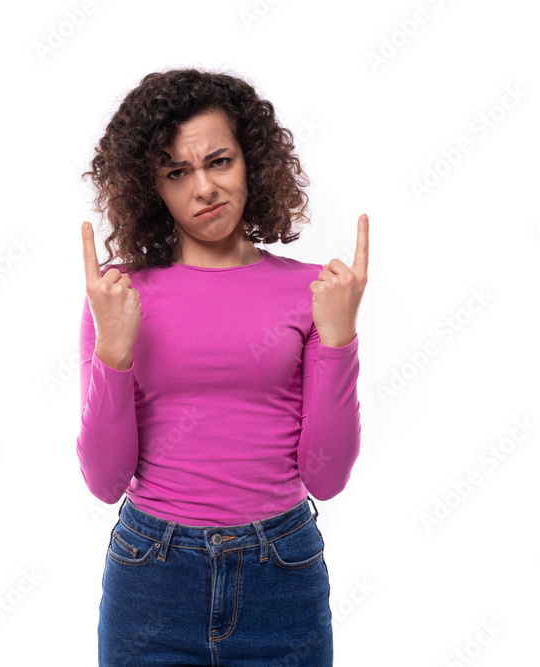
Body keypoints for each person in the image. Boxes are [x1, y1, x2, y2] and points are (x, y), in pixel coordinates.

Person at [77, 67, 368, 665]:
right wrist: (114, 352)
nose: (204, 188)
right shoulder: (119, 294)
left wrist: (340, 339)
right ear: (151, 188)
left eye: (219, 162)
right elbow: (105, 482)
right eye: (177, 173)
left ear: (251, 163)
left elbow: (327, 478)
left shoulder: (312, 292)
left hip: (281, 570)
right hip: (152, 575)